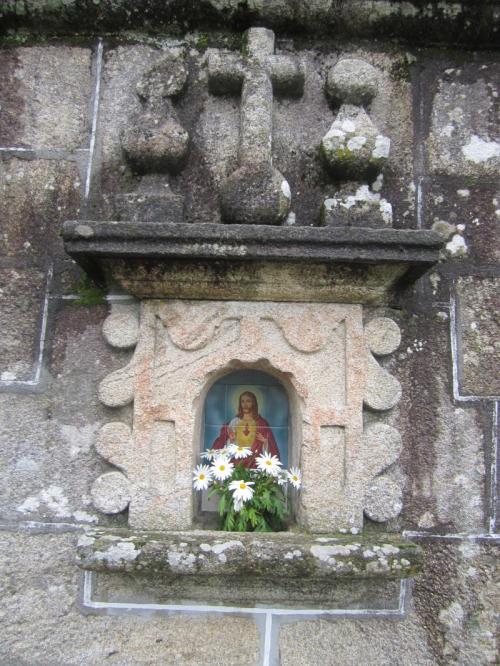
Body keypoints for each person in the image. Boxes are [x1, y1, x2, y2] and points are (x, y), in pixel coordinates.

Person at [212, 391, 280, 468]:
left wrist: (265, 442)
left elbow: (272, 448)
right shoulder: (234, 422)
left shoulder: (262, 423)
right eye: (242, 401)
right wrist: (230, 440)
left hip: (255, 463)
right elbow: (222, 445)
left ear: (254, 403)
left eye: (248, 401)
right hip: (236, 462)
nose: (245, 405)